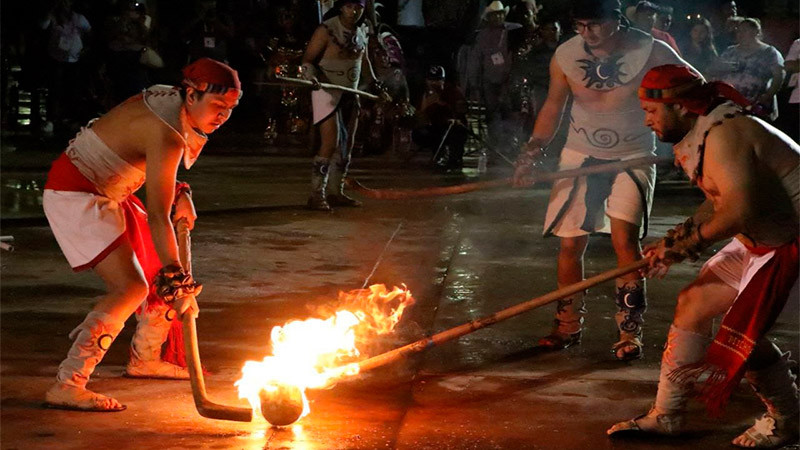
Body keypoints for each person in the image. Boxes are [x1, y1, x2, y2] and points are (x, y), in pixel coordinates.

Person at [608, 64, 799, 449]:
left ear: (680, 107)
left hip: (790, 243)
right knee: (692, 303)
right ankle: (666, 415)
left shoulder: (726, 134)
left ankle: (789, 419)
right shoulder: (707, 129)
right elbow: (720, 201)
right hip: (761, 240)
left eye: (651, 111)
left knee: (744, 333)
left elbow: (738, 211)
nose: (647, 121)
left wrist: (685, 247)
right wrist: (678, 236)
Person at [42, 58, 241, 411]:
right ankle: (69, 382)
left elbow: (145, 168)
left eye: (230, 108)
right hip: (76, 193)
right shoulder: (166, 132)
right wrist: (177, 278)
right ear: (191, 94)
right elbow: (158, 217)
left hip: (110, 191)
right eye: (217, 105)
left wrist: (182, 191)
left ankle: (145, 359)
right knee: (132, 287)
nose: (223, 115)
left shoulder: (171, 103)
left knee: (157, 269)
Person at [512, 0, 686, 360]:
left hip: (634, 153)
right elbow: (553, 106)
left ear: (616, 21)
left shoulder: (652, 49)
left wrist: (685, 141)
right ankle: (567, 325)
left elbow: (691, 90)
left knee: (625, 242)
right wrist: (532, 152)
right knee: (570, 244)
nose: (586, 33)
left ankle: (629, 333)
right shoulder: (566, 54)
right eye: (579, 25)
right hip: (579, 153)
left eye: (594, 25)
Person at [300, 0, 386, 211]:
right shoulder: (327, 29)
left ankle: (335, 191)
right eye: (349, 5)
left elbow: (363, 62)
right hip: (326, 92)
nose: (354, 11)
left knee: (346, 148)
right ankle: (316, 194)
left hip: (351, 94)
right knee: (330, 143)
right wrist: (311, 77)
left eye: (358, 6)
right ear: (341, 6)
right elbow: (307, 61)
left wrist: (375, 86)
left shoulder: (362, 30)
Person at [467, 1, 521, 155]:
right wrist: (474, 83)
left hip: (510, 80)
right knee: (493, 115)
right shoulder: (482, 35)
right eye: (494, 15)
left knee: (510, 113)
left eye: (500, 14)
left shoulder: (514, 30)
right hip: (489, 81)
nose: (497, 17)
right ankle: (496, 148)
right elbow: (476, 59)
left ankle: (510, 147)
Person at [710, 18, 785, 122]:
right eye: (738, 30)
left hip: (756, 104)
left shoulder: (769, 52)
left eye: (744, 30)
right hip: (729, 103)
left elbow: (779, 75)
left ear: (755, 32)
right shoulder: (730, 51)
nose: (740, 34)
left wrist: (768, 95)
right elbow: (716, 69)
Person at [39, 0, 92, 133]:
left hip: (74, 59)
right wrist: (50, 13)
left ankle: (69, 118)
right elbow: (43, 26)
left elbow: (90, 32)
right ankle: (51, 119)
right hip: (56, 58)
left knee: (72, 89)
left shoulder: (79, 18)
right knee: (55, 89)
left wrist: (85, 48)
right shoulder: (53, 17)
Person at [412, 65, 468, 172]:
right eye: (430, 80)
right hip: (436, 127)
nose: (433, 84)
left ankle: (454, 160)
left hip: (454, 128)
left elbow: (463, 109)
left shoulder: (453, 91)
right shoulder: (425, 95)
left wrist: (448, 108)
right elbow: (420, 117)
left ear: (443, 80)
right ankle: (438, 155)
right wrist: (425, 106)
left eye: (437, 80)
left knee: (456, 131)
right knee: (419, 133)